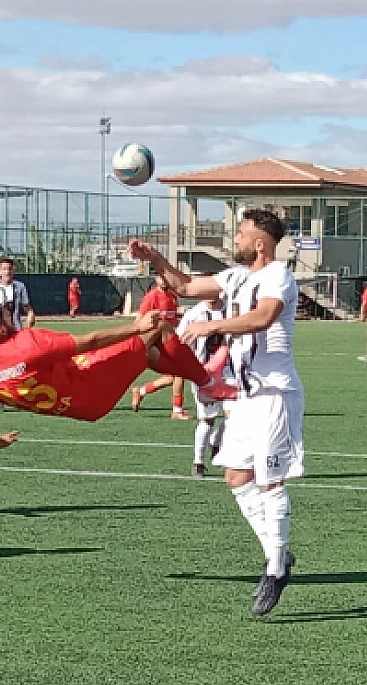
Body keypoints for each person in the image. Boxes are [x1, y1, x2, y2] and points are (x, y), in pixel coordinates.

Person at [128, 210, 303, 618]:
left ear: (260, 243)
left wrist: (212, 327)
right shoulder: (236, 277)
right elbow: (186, 284)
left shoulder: (277, 275)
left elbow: (265, 317)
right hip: (243, 396)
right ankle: (278, 553)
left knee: (269, 481)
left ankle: (275, 570)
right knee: (236, 477)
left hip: (273, 393)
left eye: (241, 233)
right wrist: (155, 259)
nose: (235, 238)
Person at [0, 301, 228, 442]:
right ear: (1, 329)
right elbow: (90, 340)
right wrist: (137, 326)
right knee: (156, 327)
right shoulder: (26, 344)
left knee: (147, 354)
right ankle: (206, 380)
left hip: (81, 407)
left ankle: (202, 379)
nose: (11, 317)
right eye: (6, 316)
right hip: (90, 381)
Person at [180, 292, 230, 477]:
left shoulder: (232, 310)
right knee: (207, 420)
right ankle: (198, 462)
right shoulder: (194, 314)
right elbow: (181, 343)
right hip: (204, 374)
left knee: (235, 416)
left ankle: (216, 442)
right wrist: (191, 368)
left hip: (232, 373)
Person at [130, 280, 193, 418]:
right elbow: (139, 320)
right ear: (156, 278)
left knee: (172, 378)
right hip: (155, 343)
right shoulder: (152, 296)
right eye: (160, 277)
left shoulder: (172, 297)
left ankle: (140, 391)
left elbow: (173, 320)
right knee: (180, 372)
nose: (164, 280)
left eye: (165, 277)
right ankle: (177, 410)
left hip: (169, 341)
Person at [0, 257, 34, 333]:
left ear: (13, 271)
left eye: (10, 269)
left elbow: (26, 306)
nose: (7, 272)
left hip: (16, 330)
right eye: (4, 269)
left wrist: (30, 314)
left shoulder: (20, 287)